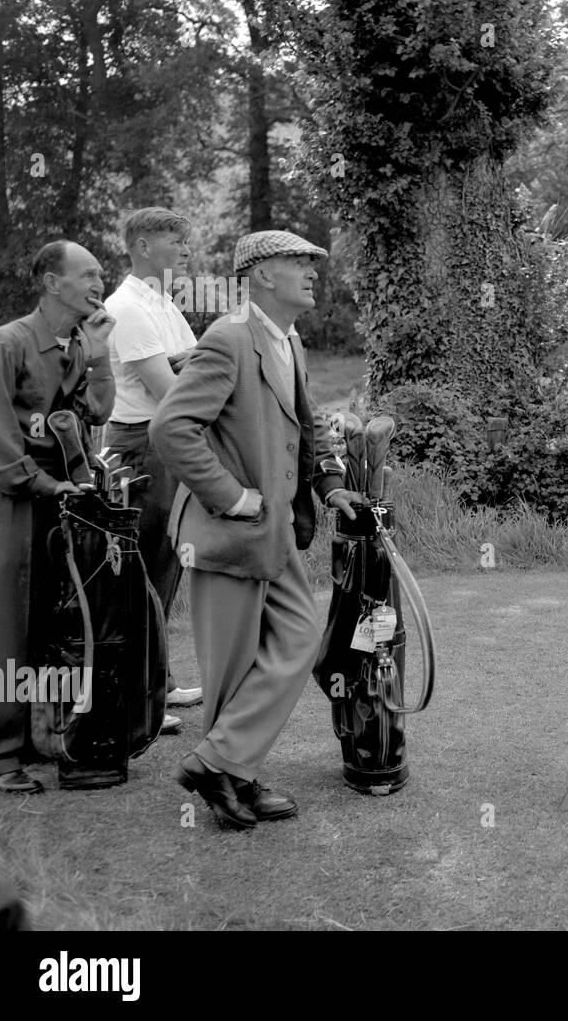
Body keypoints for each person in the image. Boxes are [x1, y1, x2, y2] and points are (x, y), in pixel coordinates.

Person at [150, 230, 363, 829]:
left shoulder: (286, 339)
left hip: (272, 535)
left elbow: (309, 422)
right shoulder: (229, 338)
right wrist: (232, 496)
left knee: (298, 638)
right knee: (232, 664)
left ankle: (218, 763)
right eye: (301, 262)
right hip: (228, 534)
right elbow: (172, 428)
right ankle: (229, 782)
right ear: (263, 274)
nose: (313, 272)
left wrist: (330, 484)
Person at [0, 241, 116, 794]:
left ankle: (40, 736)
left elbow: (98, 413)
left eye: (101, 275)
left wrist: (101, 355)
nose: (98, 283)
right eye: (87, 275)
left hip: (58, 497)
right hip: (10, 499)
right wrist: (42, 482)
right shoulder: (8, 343)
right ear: (49, 281)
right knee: (5, 626)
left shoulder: (81, 345)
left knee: (50, 618)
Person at [103, 207, 204, 732]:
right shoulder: (128, 308)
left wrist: (186, 366)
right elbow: (171, 391)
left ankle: (157, 683)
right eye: (176, 241)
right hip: (143, 446)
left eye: (187, 243)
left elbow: (194, 362)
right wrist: (186, 367)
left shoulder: (163, 302)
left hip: (164, 442)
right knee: (142, 570)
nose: (187, 251)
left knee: (167, 563)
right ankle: (137, 698)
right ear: (143, 246)